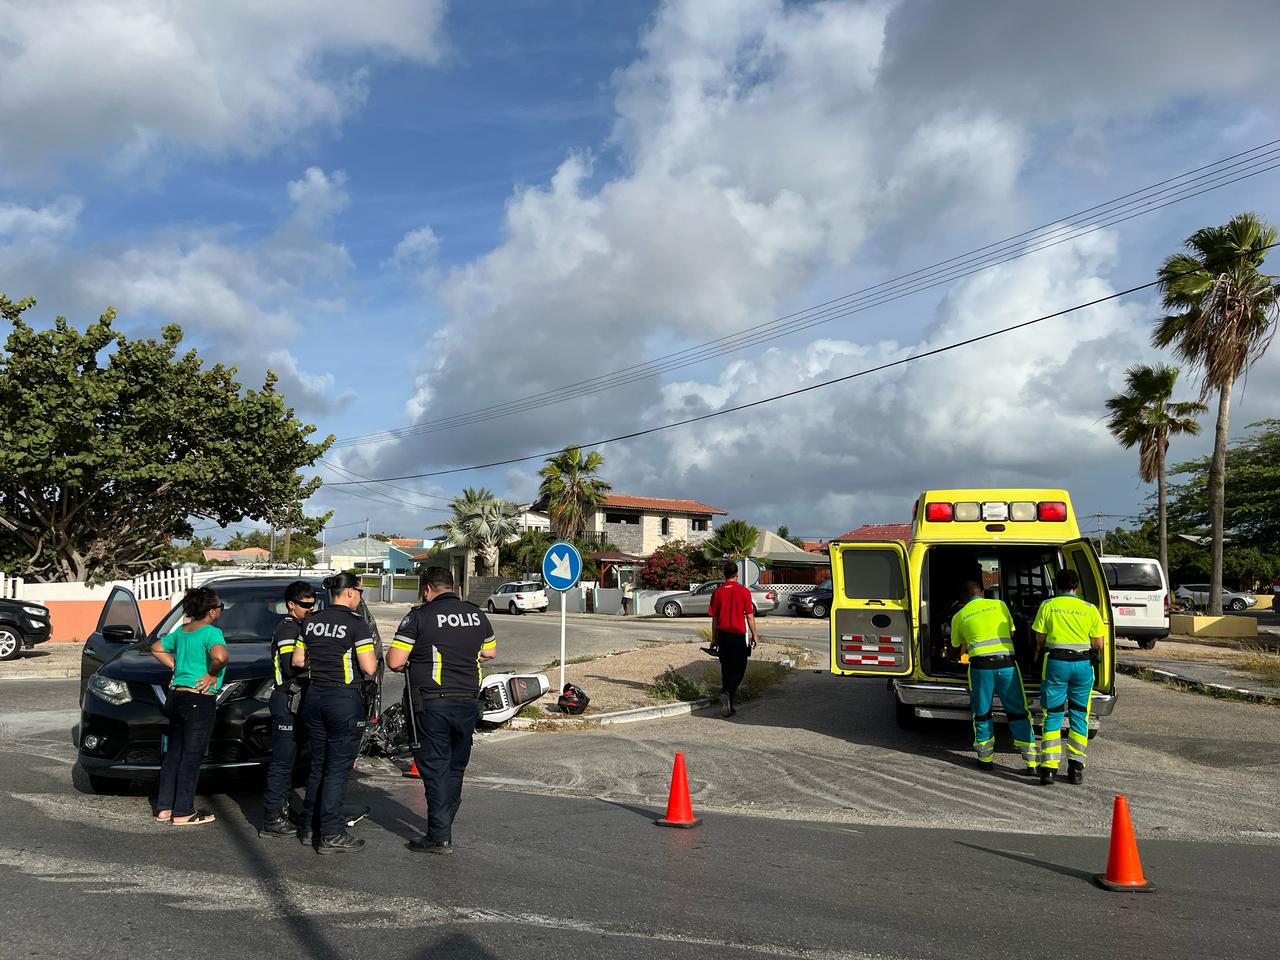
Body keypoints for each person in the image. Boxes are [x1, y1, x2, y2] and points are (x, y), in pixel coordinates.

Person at [387, 566, 496, 855]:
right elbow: (489, 653)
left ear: (426, 589)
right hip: (467, 702)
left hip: (432, 703)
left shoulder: (419, 616)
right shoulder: (476, 614)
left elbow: (395, 661)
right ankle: (443, 824)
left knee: (434, 767)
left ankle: (439, 835)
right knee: (455, 766)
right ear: (452, 586)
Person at [292, 572, 377, 853]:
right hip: (342, 699)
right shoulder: (356, 624)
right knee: (337, 769)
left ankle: (308, 827)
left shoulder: (311, 622)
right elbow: (369, 668)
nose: (361, 597)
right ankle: (331, 833)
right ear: (351, 592)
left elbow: (298, 661)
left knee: (319, 764)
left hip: (314, 696)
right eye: (361, 592)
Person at [150, 586, 227, 826]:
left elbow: (156, 647)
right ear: (212, 612)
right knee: (192, 757)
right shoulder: (212, 633)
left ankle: (165, 807)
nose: (220, 610)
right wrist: (213, 673)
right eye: (219, 606)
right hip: (198, 698)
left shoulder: (182, 632)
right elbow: (220, 657)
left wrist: (175, 666)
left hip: (176, 697)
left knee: (174, 753)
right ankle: (183, 811)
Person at [948, 579, 1037, 775]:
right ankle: (1031, 761)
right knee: (1018, 712)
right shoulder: (1000, 605)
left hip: (980, 668)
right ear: (982, 592)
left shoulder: (959, 616)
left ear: (963, 598)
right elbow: (1012, 633)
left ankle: (985, 759)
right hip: (1007, 665)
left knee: (982, 712)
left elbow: (954, 649)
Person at [1032, 569, 1106, 786]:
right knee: (1079, 715)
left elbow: (1040, 638)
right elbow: (1099, 644)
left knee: (1052, 714)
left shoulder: (1048, 606)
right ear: (1077, 587)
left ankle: (1048, 769)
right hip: (1083, 666)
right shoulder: (1089, 609)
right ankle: (1075, 769)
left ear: (1057, 585)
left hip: (1056, 663)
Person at [260, 580, 316, 838]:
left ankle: (283, 809)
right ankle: (272, 819)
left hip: (298, 701)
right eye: (305, 605)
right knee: (282, 763)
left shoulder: (302, 626)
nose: (311, 609)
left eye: (314, 604)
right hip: (286, 700)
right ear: (290, 605)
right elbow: (289, 666)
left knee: (292, 762)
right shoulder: (288, 628)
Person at [707, 561, 757, 717]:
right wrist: (754, 635)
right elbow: (749, 616)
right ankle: (728, 693)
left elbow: (714, 618)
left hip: (722, 636)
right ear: (737, 574)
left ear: (724, 574)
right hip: (737, 636)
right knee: (740, 668)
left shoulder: (717, 592)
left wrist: (714, 638)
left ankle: (728, 705)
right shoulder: (743, 591)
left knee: (726, 669)